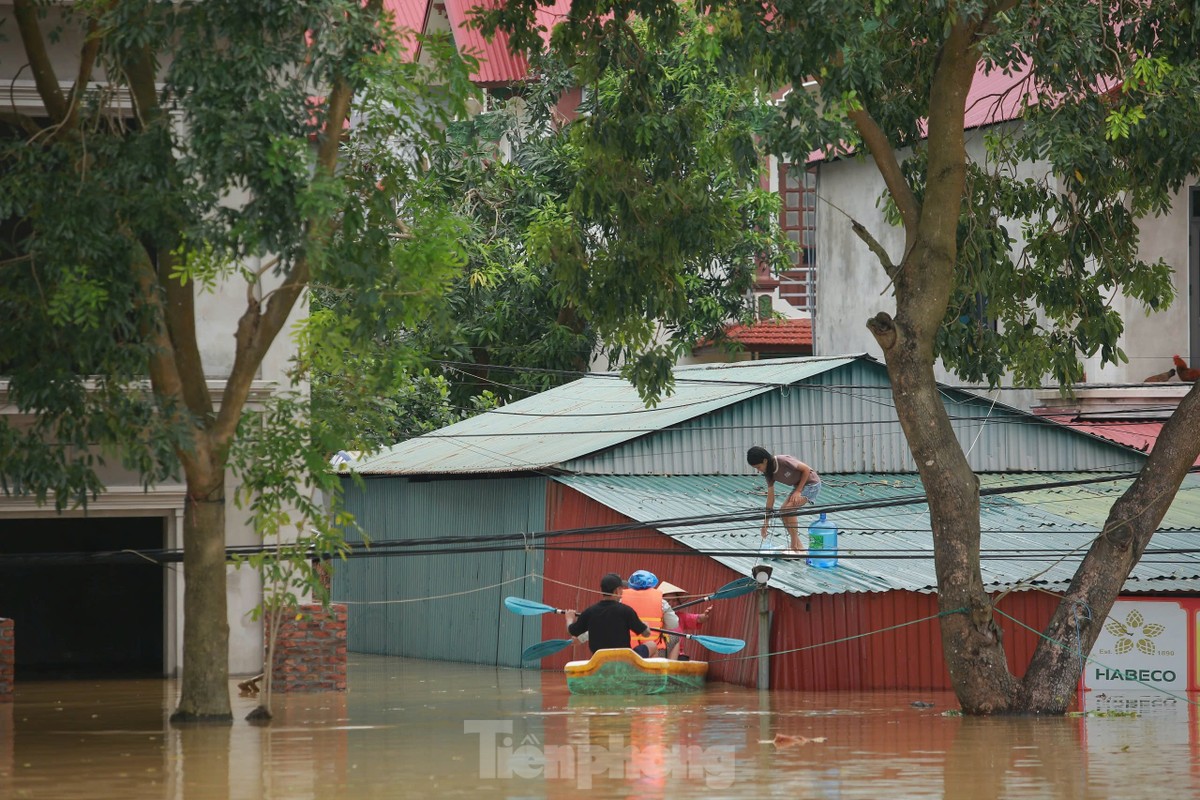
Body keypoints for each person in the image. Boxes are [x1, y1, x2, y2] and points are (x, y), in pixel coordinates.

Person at [747, 445, 822, 555]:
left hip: (811, 484)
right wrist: (766, 523)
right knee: (783, 512)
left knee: (789, 509)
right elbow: (770, 498)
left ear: (765, 460)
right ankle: (799, 548)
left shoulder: (783, 460)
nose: (759, 470)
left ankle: (794, 546)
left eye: (758, 467)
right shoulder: (768, 473)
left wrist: (798, 491)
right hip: (798, 487)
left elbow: (806, 469)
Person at [566, 573, 655, 656]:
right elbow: (646, 634)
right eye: (621, 588)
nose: (623, 591)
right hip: (624, 659)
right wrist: (646, 625)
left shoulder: (590, 611)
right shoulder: (626, 611)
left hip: (599, 659)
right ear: (616, 591)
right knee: (652, 645)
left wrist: (569, 619)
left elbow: (572, 631)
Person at [621, 570, 678, 658]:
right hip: (653, 651)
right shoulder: (661, 602)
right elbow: (673, 624)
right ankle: (670, 670)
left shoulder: (621, 600)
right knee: (675, 638)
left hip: (625, 649)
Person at [657, 581, 713, 660]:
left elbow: (698, 619)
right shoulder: (654, 615)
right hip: (659, 652)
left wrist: (705, 615)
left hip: (678, 655)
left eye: (674, 601)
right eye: (668, 601)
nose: (671, 604)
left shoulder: (680, 616)